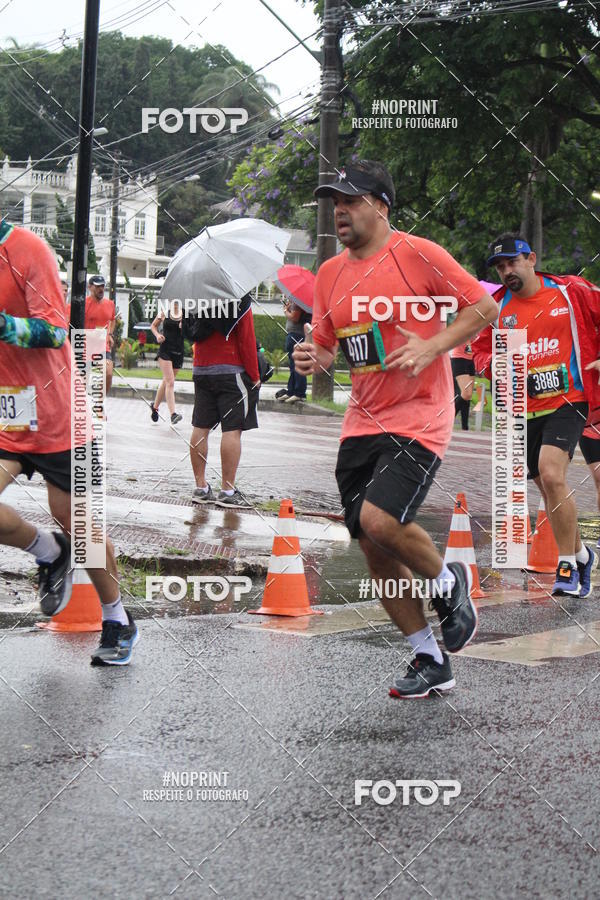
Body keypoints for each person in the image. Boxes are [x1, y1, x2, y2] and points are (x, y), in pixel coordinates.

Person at [293, 159, 497, 699]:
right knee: (372, 547)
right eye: (335, 202)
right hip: (362, 419)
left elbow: (485, 307)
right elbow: (330, 344)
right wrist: (313, 356)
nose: (340, 210)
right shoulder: (331, 273)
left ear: (381, 206)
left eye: (351, 200)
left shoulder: (419, 254)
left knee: (381, 520)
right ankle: (429, 658)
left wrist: (434, 344)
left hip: (421, 417)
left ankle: (449, 581)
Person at [0, 219, 138, 665]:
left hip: (62, 414)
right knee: (63, 536)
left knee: (82, 528)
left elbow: (56, 330)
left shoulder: (26, 249)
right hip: (9, 418)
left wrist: (3, 325)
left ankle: (117, 618)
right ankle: (48, 550)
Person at [472, 232, 600, 597]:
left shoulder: (570, 292)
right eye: (499, 267)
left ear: (531, 258)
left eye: (512, 262)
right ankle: (580, 555)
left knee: (550, 471)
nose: (506, 271)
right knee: (548, 488)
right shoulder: (497, 308)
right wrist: (491, 364)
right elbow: (479, 348)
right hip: (522, 409)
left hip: (569, 399)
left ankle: (566, 567)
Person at [189, 298, 260, 508]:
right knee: (232, 429)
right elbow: (246, 339)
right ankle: (228, 490)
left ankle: (200, 488)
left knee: (200, 427)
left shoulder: (196, 296)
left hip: (201, 368)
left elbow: (190, 331)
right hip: (230, 369)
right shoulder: (238, 296)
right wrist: (255, 375)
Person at [84, 274, 115, 414]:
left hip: (103, 346)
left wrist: (110, 334)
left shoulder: (110, 304)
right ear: (90, 287)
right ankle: (82, 411)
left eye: (102, 286)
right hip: (85, 347)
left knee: (108, 372)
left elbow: (112, 319)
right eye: (97, 286)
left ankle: (99, 404)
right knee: (82, 382)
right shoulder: (83, 304)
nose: (101, 289)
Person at [149, 302, 184, 425]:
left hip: (179, 352)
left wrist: (184, 326)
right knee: (170, 382)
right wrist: (158, 335)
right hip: (165, 351)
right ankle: (173, 414)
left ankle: (155, 407)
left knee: (166, 381)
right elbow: (153, 326)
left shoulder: (185, 313)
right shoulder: (164, 311)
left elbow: (192, 332)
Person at [275, 299, 312, 403]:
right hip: (294, 335)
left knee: (298, 365)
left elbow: (294, 317)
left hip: (297, 335)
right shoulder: (296, 301)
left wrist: (285, 310)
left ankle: (300, 393)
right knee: (293, 366)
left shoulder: (298, 301)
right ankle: (291, 391)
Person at [451, 341, 475, 430]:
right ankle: (446, 420)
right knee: (466, 394)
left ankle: (465, 427)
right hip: (458, 359)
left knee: (468, 397)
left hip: (470, 360)